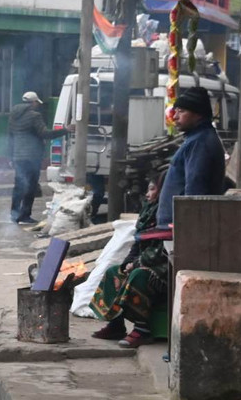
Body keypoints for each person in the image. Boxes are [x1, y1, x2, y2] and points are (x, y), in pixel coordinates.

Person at [90, 175, 169, 348]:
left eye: (152, 189)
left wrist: (137, 264)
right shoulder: (148, 211)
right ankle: (116, 324)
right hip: (146, 262)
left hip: (166, 268)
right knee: (113, 272)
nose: (147, 194)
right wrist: (127, 263)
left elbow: (163, 250)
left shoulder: (168, 213)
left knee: (139, 275)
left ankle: (142, 330)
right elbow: (138, 243)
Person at [156, 85, 227, 229]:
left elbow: (195, 188)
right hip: (176, 225)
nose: (175, 117)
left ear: (198, 114)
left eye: (181, 111)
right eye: (175, 111)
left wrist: (187, 226)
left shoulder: (200, 142)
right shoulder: (197, 139)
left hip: (181, 226)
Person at [7, 91, 67, 225]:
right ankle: (25, 216)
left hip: (18, 156)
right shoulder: (34, 116)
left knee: (19, 186)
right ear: (33, 102)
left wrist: (10, 156)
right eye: (36, 103)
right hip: (32, 156)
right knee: (31, 186)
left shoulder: (13, 115)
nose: (37, 106)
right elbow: (45, 134)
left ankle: (14, 214)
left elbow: (10, 137)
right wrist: (65, 129)